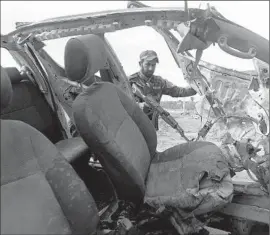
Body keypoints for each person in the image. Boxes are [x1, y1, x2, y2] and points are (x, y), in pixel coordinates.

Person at [128, 50, 197, 130]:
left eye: (153, 65)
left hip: (151, 128)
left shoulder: (159, 82)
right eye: (148, 64)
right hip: (133, 127)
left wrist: (197, 88)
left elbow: (179, 91)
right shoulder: (129, 81)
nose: (151, 68)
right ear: (140, 64)